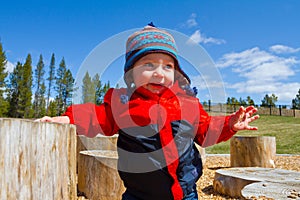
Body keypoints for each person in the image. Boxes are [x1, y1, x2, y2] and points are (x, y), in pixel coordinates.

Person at [37, 23, 259, 200]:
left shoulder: (187, 103)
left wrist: (230, 124)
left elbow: (205, 129)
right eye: (149, 65)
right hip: (139, 194)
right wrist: (67, 118)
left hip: (185, 193)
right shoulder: (123, 103)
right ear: (131, 72)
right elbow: (97, 116)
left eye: (167, 66)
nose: (159, 73)